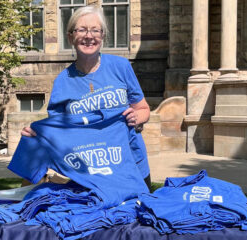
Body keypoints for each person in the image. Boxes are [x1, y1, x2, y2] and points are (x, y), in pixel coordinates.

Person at [21, 5, 151, 189]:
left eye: (95, 30)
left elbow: (144, 108)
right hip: (88, 172)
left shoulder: (121, 66)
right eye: (81, 30)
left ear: (103, 35)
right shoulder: (62, 82)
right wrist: (37, 134)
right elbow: (60, 133)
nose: (89, 36)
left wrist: (138, 117)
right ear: (70, 37)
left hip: (132, 165)